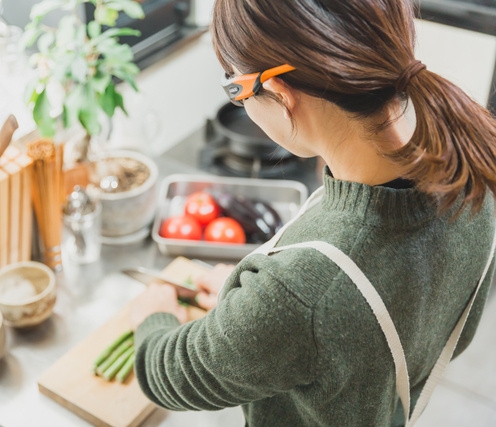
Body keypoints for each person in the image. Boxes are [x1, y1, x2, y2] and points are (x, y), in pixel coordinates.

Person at [129, 0, 496, 425]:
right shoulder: (475, 173)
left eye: (237, 89)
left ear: (282, 94)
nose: (239, 102)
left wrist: (153, 315)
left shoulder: (299, 292)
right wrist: (254, 315)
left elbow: (172, 373)